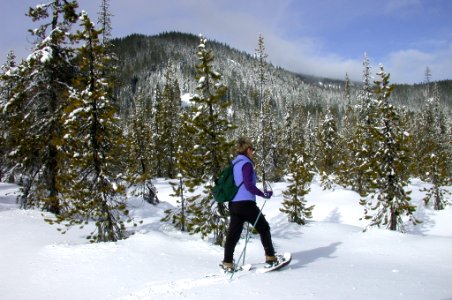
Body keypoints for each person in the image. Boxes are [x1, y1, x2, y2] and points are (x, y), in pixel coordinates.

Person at [222, 137, 277, 272]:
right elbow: (248, 184)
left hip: (233, 203)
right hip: (246, 203)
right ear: (247, 150)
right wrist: (262, 194)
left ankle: (227, 262)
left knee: (233, 234)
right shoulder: (246, 163)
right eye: (252, 149)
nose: (253, 152)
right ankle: (270, 257)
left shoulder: (234, 163)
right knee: (264, 228)